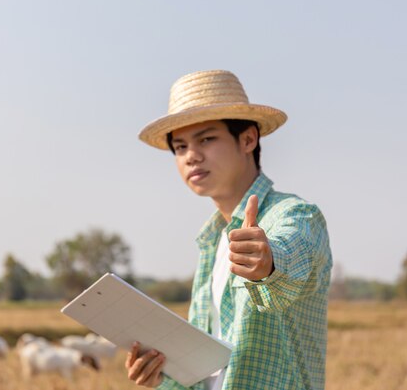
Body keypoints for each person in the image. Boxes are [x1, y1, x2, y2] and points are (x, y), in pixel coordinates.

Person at [124, 70, 332, 390]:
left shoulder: (296, 215)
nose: (191, 156)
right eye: (179, 147)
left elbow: (291, 253)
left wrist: (268, 263)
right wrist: (162, 374)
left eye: (206, 139)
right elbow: (207, 370)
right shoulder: (211, 243)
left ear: (248, 139)